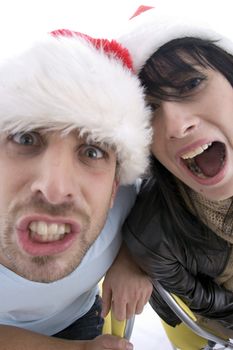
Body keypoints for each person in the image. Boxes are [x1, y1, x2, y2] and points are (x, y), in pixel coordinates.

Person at [0, 28, 153, 350]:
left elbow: (154, 206)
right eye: (25, 138)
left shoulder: (127, 200)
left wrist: (133, 260)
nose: (55, 190)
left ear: (114, 188)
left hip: (81, 318)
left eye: (93, 151)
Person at [118, 0, 233, 340]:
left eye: (190, 84)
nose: (176, 125)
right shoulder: (155, 236)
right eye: (149, 108)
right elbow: (209, 308)